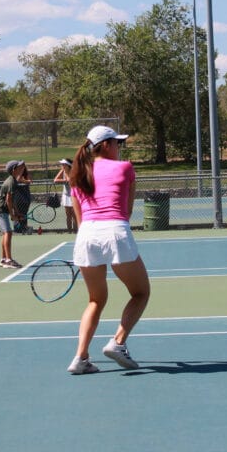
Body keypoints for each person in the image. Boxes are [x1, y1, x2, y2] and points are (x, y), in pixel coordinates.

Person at [67, 125, 150, 375]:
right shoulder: (125, 168)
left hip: (86, 236)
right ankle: (118, 342)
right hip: (115, 231)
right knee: (141, 292)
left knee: (95, 300)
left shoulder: (76, 174)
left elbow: (81, 221)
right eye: (117, 143)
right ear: (105, 145)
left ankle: (80, 358)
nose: (119, 147)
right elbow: (127, 211)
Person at [0, 160, 25, 268]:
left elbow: (12, 200)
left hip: (1, 210)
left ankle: (3, 259)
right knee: (8, 232)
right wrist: (12, 215)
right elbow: (8, 200)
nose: (22, 168)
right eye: (19, 167)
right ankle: (9, 260)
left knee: (6, 233)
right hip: (0, 210)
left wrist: (16, 212)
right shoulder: (11, 182)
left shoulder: (13, 180)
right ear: (14, 170)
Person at [53, 158, 76, 233]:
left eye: (63, 164)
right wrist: (65, 180)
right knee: (68, 215)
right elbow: (55, 180)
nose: (62, 165)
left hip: (74, 196)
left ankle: (76, 231)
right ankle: (69, 231)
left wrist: (69, 179)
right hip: (66, 195)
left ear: (68, 165)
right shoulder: (62, 171)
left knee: (74, 215)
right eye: (62, 164)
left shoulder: (74, 172)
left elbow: (73, 181)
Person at [13, 164, 32, 234]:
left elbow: (29, 181)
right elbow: (17, 180)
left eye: (23, 166)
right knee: (17, 212)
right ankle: (18, 228)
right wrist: (21, 178)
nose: (22, 168)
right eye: (20, 167)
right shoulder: (15, 174)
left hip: (26, 197)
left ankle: (24, 228)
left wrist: (23, 180)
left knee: (24, 213)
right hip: (17, 197)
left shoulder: (26, 174)